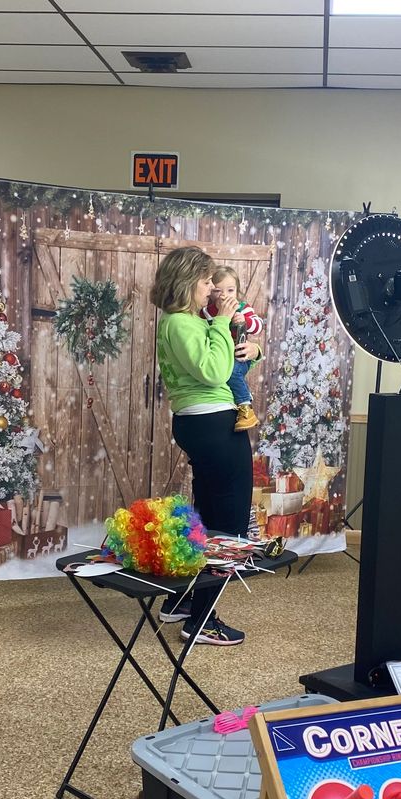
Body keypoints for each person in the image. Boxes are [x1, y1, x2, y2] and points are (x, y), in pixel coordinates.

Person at [150, 246, 261, 646]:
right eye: (205, 280)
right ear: (186, 283)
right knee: (228, 526)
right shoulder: (182, 323)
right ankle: (201, 622)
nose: (211, 287)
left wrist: (252, 349)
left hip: (202, 422)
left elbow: (227, 363)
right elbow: (215, 372)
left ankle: (180, 600)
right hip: (213, 424)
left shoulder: (188, 321)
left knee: (208, 516)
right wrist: (223, 320)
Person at [201, 266, 263, 431]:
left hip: (238, 356)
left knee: (232, 372)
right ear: (210, 291)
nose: (224, 295)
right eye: (217, 291)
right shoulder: (206, 312)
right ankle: (235, 401)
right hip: (218, 357)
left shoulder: (242, 308)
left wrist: (245, 321)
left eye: (230, 290)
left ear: (237, 291)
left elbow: (258, 326)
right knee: (224, 376)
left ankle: (246, 408)